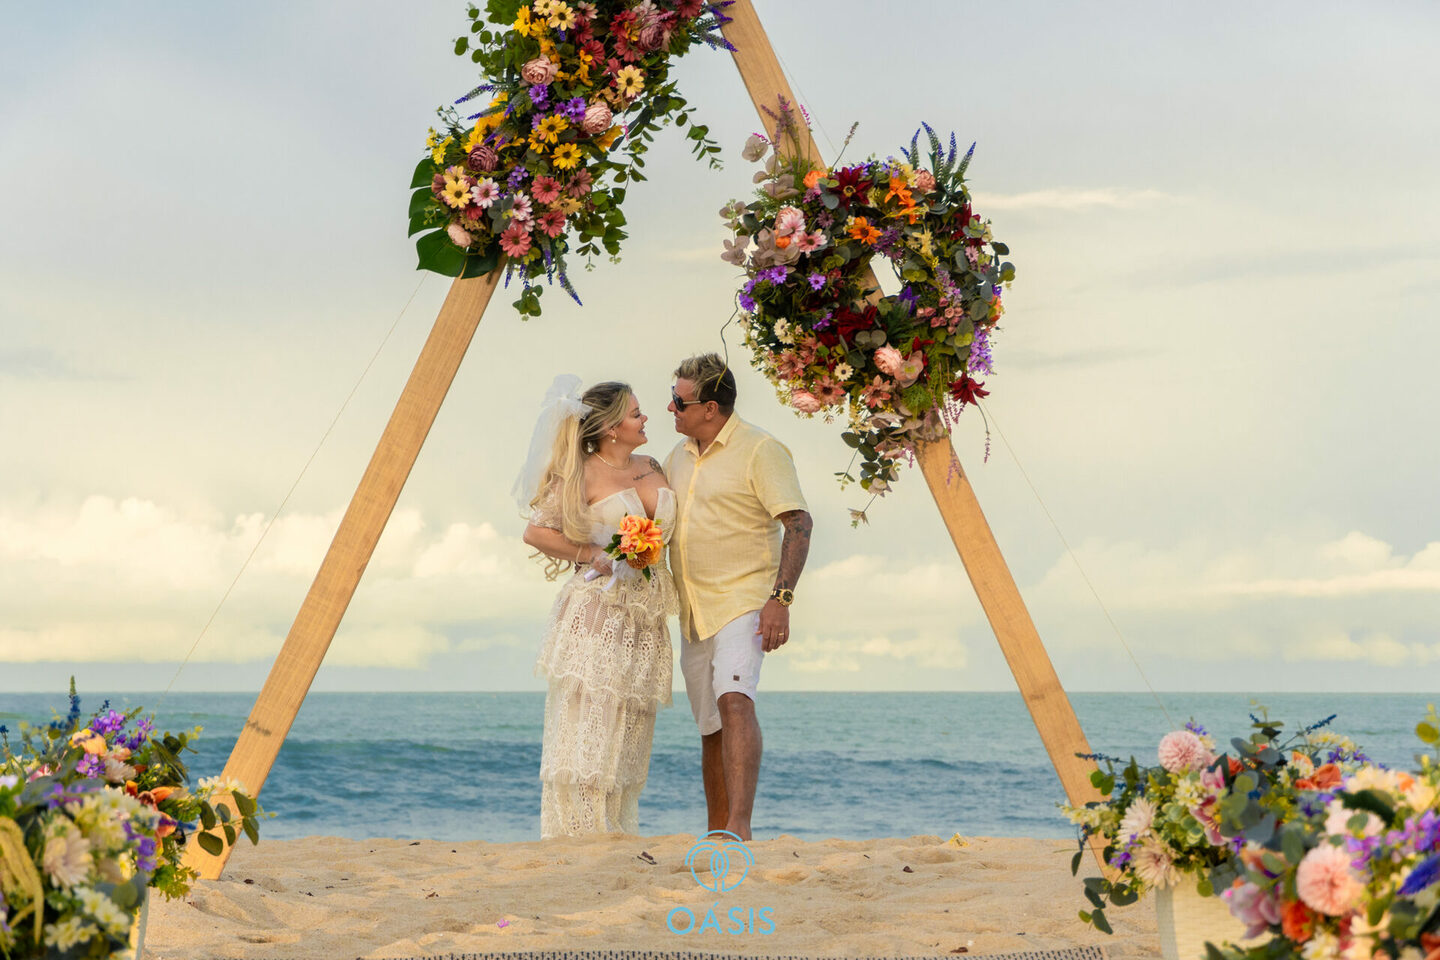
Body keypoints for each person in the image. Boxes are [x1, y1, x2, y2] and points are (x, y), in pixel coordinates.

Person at [516, 375, 677, 838]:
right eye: (635, 413)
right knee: (593, 719)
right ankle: (579, 833)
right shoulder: (579, 472)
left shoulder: (652, 464)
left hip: (646, 613)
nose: (645, 418)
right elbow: (537, 531)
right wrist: (595, 556)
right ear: (609, 427)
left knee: (630, 725)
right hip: (598, 610)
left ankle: (616, 831)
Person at [664, 353, 813, 841]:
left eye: (679, 401)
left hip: (744, 598)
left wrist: (780, 598)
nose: (670, 409)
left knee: (734, 700)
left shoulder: (760, 449)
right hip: (693, 609)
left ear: (710, 408)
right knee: (710, 724)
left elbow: (798, 522)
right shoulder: (676, 457)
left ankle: (740, 827)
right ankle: (717, 830)